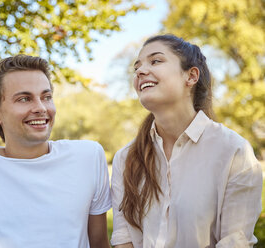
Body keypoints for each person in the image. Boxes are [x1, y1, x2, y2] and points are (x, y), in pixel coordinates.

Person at [0, 55, 112, 248]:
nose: (41, 108)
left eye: (47, 97)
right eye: (24, 99)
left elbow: (99, 243)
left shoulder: (87, 157)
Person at [110, 34, 263, 248]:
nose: (140, 71)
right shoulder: (125, 158)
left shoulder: (233, 151)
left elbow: (235, 242)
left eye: (155, 61)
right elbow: (123, 238)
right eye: (137, 67)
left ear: (190, 76)